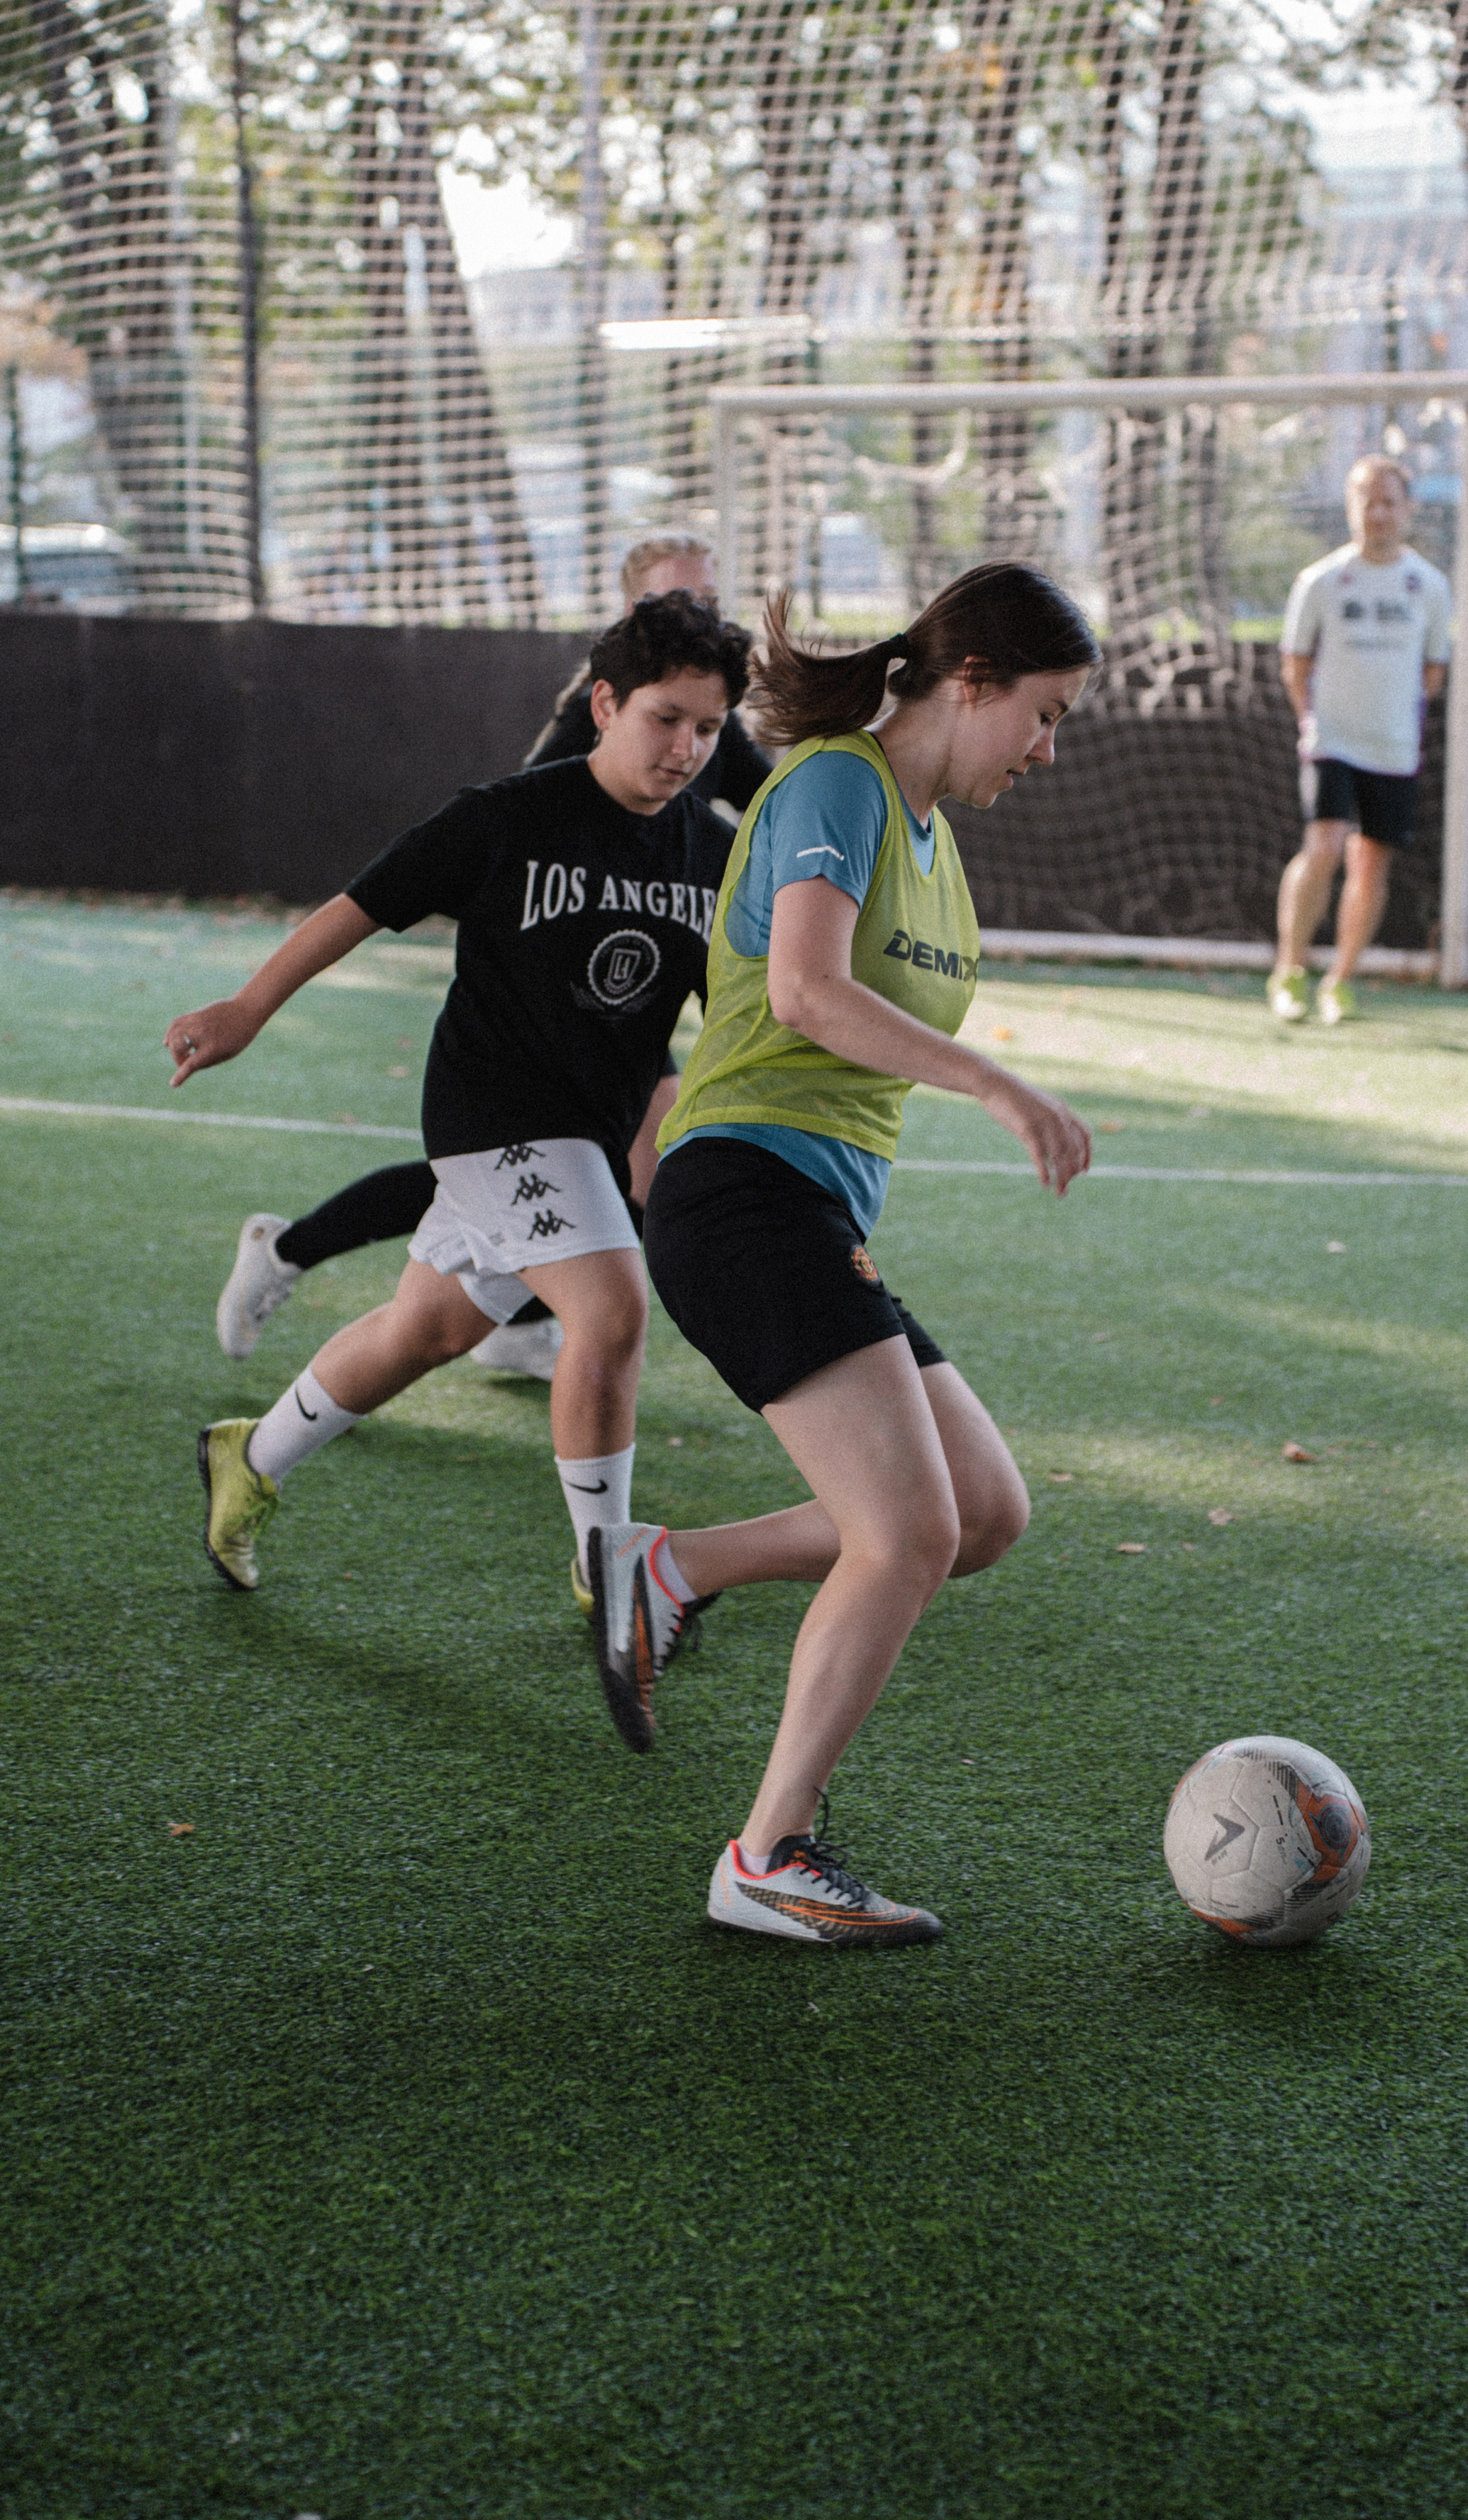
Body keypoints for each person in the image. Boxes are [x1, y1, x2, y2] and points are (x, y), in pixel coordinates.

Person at [584, 562, 1099, 1948]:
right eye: (1044, 714)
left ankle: (669, 1569)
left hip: (807, 1213)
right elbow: (807, 991)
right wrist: (996, 1084)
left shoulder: (933, 842)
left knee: (980, 1511)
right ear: (972, 682)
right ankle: (768, 1853)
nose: (1047, 749)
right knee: (908, 1530)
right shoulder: (835, 785)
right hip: (741, 1192)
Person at [169, 592, 752, 1606]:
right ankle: (611, 1568)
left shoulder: (710, 849)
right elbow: (359, 908)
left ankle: (249, 1457)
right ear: (605, 704)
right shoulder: (505, 817)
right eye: (667, 719)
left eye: (709, 729)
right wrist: (248, 1008)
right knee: (611, 1308)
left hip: (590, 1129)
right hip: (493, 1115)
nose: (688, 749)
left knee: (426, 1331)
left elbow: (730, 1007)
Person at [213, 533, 775, 1380]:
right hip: (553, 1005)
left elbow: (770, 805)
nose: (686, 741)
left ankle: (502, 1316)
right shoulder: (598, 723)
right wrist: (249, 1007)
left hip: (638, 990)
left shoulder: (705, 718)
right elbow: (523, 840)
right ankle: (297, 1249)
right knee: (538, 1181)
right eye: (677, 600)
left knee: (611, 1181)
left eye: (708, 598)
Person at [1266, 453, 1451, 1026]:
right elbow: (1296, 665)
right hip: (1332, 741)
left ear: (1408, 509)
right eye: (1367, 502)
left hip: (1393, 746)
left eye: (1389, 502)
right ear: (1351, 507)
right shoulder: (1320, 581)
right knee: (1323, 845)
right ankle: (1289, 971)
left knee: (1371, 863)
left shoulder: (1429, 585)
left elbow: (1433, 671)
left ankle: (1340, 981)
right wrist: (1312, 721)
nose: (1378, 513)